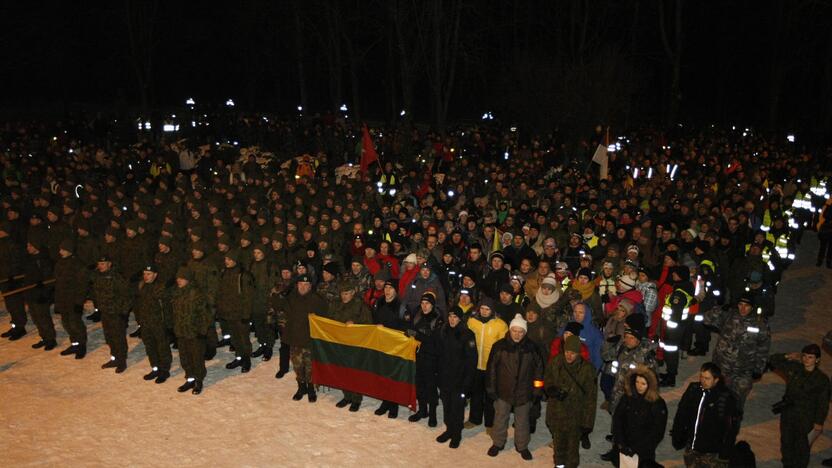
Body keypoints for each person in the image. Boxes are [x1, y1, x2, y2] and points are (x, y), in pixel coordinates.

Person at [485, 314, 544, 461]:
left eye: (520, 331)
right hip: (503, 391)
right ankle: (498, 443)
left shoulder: (532, 348)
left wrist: (537, 390)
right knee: (500, 418)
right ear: (510, 330)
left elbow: (539, 372)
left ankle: (522, 445)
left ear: (525, 332)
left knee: (522, 421)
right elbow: (491, 369)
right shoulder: (499, 346)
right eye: (514, 331)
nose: (517, 334)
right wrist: (491, 388)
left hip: (524, 392)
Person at [703, 292, 770, 413]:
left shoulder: (760, 324)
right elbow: (707, 320)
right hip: (721, 366)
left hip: (743, 371)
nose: (743, 308)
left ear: (752, 307)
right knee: (716, 399)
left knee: (736, 403)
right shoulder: (728, 316)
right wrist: (720, 309)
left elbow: (763, 348)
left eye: (747, 305)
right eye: (740, 304)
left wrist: (758, 368)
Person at [769, 344, 831, 468]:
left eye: (810, 357)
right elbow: (771, 361)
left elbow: (823, 403)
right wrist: (787, 355)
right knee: (786, 444)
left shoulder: (821, 380)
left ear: (817, 359)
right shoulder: (794, 368)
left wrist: (818, 422)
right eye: (804, 356)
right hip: (788, 413)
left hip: (806, 418)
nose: (806, 359)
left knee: (802, 448)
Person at [671, 362, 739, 467]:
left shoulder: (725, 399)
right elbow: (682, 413)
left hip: (711, 452)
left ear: (716, 380)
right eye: (701, 377)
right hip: (692, 447)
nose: (703, 381)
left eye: (707, 378)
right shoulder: (693, 390)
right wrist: (677, 434)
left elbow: (731, 429)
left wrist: (724, 454)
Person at [545, 334, 597, 468]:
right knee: (558, 444)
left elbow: (591, 399)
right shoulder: (556, 362)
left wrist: (587, 422)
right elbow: (548, 379)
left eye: (573, 353)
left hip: (575, 415)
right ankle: (559, 465)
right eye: (567, 352)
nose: (569, 356)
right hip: (557, 412)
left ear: (578, 353)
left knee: (572, 448)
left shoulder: (587, 370)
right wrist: (551, 389)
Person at [276, 275, 328, 402]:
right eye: (300, 284)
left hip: (310, 341)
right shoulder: (291, 298)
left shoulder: (317, 300)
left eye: (306, 285)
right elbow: (282, 312)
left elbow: (325, 319)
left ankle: (311, 389)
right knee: (298, 366)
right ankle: (301, 387)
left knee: (310, 367)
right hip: (294, 339)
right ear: (297, 285)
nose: (303, 287)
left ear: (310, 286)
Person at [434, 306, 477, 449]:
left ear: (460, 318)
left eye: (455, 317)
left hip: (460, 380)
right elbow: (439, 355)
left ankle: (456, 434)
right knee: (447, 407)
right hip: (445, 378)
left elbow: (472, 361)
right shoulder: (444, 331)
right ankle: (449, 430)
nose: (452, 320)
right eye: (450, 317)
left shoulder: (467, 334)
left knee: (457, 409)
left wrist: (467, 383)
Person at [327, 280, 372, 412]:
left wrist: (355, 323)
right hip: (340, 343)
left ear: (353, 293)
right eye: (342, 293)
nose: (344, 296)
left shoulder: (361, 306)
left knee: (354, 373)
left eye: (346, 293)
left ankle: (356, 399)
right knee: (342, 371)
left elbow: (368, 324)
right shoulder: (336, 304)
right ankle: (347, 395)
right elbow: (330, 319)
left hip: (355, 345)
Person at [464, 297, 508, 430]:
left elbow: (503, 346)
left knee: (490, 396)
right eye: (482, 308)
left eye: (487, 309)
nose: (484, 311)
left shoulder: (500, 325)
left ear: (492, 310)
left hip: (492, 366)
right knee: (476, 394)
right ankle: (474, 419)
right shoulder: (472, 322)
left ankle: (490, 423)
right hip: (475, 364)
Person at [612, 365, 667, 467]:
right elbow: (618, 419)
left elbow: (657, 432)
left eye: (643, 383)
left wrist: (635, 449)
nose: (639, 386)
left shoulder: (657, 404)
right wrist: (621, 443)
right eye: (637, 382)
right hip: (623, 448)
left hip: (643, 453)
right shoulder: (627, 397)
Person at [170, 267, 213, 395]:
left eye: (182, 278)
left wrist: (202, 331)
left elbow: (205, 315)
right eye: (177, 278)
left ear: (188, 279)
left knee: (196, 358)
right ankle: (190, 379)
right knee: (185, 358)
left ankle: (198, 380)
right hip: (181, 332)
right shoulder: (177, 292)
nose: (179, 280)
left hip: (194, 333)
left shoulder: (197, 294)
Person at [86, 255, 132, 373]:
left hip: (116, 313)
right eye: (99, 264)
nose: (100, 266)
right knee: (109, 337)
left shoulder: (116, 278)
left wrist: (124, 312)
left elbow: (127, 295)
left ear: (109, 264)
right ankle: (114, 358)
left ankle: (121, 361)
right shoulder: (98, 276)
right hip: (105, 312)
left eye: (103, 264)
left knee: (118, 337)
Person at [405, 292, 443, 426]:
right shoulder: (417, 315)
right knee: (419, 384)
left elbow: (435, 341)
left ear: (432, 305)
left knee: (431, 387)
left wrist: (418, 335)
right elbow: (410, 328)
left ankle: (432, 414)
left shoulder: (438, 319)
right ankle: (422, 410)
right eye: (422, 303)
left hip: (431, 358)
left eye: (427, 304)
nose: (424, 306)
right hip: (418, 355)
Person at [216, 250, 255, 373]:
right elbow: (221, 293)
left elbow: (248, 297)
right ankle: (239, 358)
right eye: (226, 259)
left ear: (235, 260)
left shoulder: (243, 275)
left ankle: (246, 359)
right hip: (229, 313)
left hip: (240, 314)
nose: (226, 261)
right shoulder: (224, 273)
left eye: (229, 259)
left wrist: (246, 314)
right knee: (235, 338)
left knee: (243, 338)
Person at [372, 279, 406, 418]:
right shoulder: (378, 302)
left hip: (395, 345)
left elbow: (404, 327)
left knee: (393, 375)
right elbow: (373, 320)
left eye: (390, 288)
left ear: (396, 290)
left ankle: (394, 404)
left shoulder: (401, 306)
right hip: (381, 344)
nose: (387, 290)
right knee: (383, 373)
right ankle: (385, 402)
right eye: (386, 287)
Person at [134, 265, 172, 384]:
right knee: (150, 347)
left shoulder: (161, 288)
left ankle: (164, 370)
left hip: (158, 323)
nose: (146, 276)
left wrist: (168, 324)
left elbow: (167, 308)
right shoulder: (142, 286)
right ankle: (155, 367)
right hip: (146, 324)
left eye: (149, 274)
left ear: (155, 275)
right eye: (144, 274)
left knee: (162, 347)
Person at [53, 239, 89, 358]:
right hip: (63, 300)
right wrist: (57, 302)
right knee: (67, 323)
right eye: (60, 249)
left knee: (75, 324)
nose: (60, 252)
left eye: (63, 249)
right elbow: (58, 284)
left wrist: (79, 302)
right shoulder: (60, 263)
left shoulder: (77, 264)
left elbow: (82, 285)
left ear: (69, 250)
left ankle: (81, 346)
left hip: (73, 300)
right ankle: (74, 344)